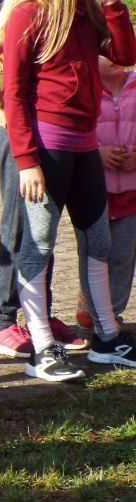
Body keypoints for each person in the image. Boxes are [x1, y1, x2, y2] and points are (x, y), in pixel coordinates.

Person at [3, 0, 136, 380]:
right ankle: (42, 347)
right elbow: (14, 93)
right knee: (38, 245)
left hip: (85, 148)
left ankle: (106, 338)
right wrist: (27, 161)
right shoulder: (28, 13)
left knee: (97, 240)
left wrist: (112, 3)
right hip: (47, 149)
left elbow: (125, 55)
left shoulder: (88, 9)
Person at [0, 0, 87, 361]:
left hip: (46, 137)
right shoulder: (24, 14)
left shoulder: (60, 15)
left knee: (42, 232)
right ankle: (2, 323)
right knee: (18, 229)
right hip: (19, 137)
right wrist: (3, 106)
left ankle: (40, 316)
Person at [93, 58, 136, 322]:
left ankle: (113, 317)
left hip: (132, 192)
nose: (115, 57)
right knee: (95, 256)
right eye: (105, 51)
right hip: (94, 191)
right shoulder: (83, 89)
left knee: (123, 256)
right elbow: (72, 132)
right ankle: (93, 314)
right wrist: (96, 153)